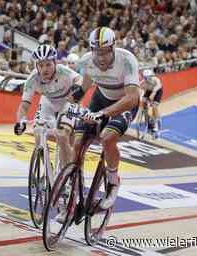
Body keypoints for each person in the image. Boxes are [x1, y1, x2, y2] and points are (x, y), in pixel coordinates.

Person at [68, 27, 140, 210]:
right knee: (77, 142)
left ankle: (113, 181)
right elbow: (82, 89)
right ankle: (73, 188)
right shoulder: (86, 61)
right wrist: (68, 105)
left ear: (114, 47)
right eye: (97, 51)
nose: (100, 57)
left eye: (105, 52)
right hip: (100, 99)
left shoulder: (127, 60)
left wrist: (105, 113)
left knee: (107, 138)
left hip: (124, 102)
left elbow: (132, 97)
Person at [14, 44, 83, 172]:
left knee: (63, 135)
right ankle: (47, 171)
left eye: (48, 65)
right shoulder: (32, 79)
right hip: (48, 101)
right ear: (36, 66)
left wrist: (76, 89)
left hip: (68, 100)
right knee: (38, 132)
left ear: (55, 63)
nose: (45, 69)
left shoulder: (63, 70)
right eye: (41, 65)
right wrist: (20, 121)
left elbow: (80, 79)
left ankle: (67, 174)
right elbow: (24, 106)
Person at [141, 69, 163, 136]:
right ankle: (147, 119)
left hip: (157, 91)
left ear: (151, 76)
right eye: (145, 77)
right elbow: (140, 91)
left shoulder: (156, 80)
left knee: (154, 106)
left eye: (148, 77)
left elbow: (154, 93)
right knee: (144, 103)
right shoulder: (143, 83)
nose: (147, 78)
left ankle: (155, 122)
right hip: (149, 91)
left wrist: (150, 100)